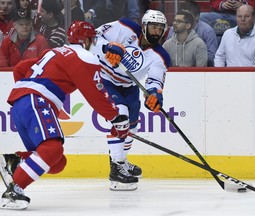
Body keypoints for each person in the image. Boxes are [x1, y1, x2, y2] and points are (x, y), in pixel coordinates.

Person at [0, 20, 130, 210]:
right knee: (52, 150)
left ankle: (15, 161)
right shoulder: (84, 57)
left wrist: (27, 93)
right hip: (36, 102)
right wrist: (117, 118)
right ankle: (13, 191)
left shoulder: (54, 51)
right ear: (87, 40)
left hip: (21, 104)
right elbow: (96, 92)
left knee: (56, 162)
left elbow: (20, 69)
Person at [89, 9, 170, 191]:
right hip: (104, 77)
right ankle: (116, 170)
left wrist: (154, 94)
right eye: (153, 27)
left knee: (132, 126)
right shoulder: (125, 27)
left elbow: (155, 80)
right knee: (121, 117)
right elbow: (91, 38)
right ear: (144, 26)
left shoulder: (161, 55)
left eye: (160, 28)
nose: (156, 32)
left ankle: (121, 161)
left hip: (128, 85)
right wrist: (107, 48)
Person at [166, 0, 218, 66]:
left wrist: (195, 56)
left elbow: (212, 56)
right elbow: (167, 52)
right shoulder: (174, 28)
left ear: (197, 17)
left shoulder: (207, 30)